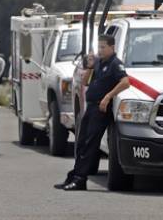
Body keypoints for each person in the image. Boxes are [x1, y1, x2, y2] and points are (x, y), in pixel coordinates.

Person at [54, 34, 130, 191]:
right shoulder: (98, 63)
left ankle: (81, 179)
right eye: (99, 47)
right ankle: (74, 175)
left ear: (112, 47)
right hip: (90, 106)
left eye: (103, 47)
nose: (100, 50)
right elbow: (84, 82)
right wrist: (89, 67)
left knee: (90, 144)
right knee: (81, 142)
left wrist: (107, 97)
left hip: (101, 109)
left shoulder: (116, 64)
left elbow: (125, 82)